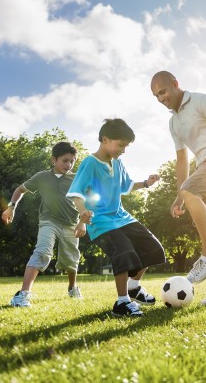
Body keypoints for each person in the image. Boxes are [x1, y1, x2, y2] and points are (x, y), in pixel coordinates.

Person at [150, 71, 206, 305]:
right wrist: (179, 196)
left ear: (175, 84)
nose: (161, 98)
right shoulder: (173, 123)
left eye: (162, 92)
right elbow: (182, 160)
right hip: (205, 166)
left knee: (190, 191)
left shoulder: (203, 101)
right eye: (156, 96)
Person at [66, 118, 166, 317]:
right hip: (101, 221)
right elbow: (76, 192)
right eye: (121, 145)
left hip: (122, 217)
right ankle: (122, 302)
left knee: (152, 247)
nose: (123, 150)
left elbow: (126, 186)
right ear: (105, 139)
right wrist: (82, 211)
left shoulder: (117, 163)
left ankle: (133, 287)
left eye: (126, 146)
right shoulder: (90, 163)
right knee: (124, 251)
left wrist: (146, 183)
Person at [2, 141, 86, 307]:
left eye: (72, 161)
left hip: (71, 224)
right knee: (42, 252)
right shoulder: (42, 177)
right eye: (65, 160)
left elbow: (83, 202)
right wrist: (11, 207)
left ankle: (72, 287)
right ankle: (23, 295)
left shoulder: (76, 179)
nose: (69, 164)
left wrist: (82, 222)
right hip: (49, 221)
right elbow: (20, 190)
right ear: (54, 160)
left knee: (70, 260)